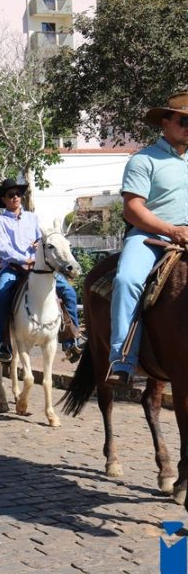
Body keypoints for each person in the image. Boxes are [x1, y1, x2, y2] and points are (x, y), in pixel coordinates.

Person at [108, 91, 188, 385]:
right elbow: (132, 209)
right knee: (126, 280)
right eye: (183, 121)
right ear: (165, 122)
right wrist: (172, 230)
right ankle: (122, 358)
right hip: (151, 237)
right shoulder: (143, 160)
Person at [0, 178, 84, 363]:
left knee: (69, 293)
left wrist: (38, 245)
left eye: (18, 194)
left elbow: (40, 240)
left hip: (37, 267)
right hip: (13, 268)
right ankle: (4, 344)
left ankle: (70, 340)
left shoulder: (32, 218)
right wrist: (23, 258)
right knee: (0, 297)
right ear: (4, 199)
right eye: (11, 194)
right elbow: (3, 248)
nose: (16, 197)